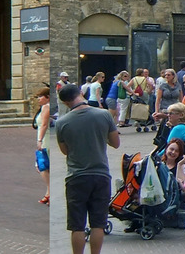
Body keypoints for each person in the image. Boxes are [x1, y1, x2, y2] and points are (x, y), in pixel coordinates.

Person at [56, 82, 120, 254]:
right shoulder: (104, 115)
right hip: (101, 174)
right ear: (80, 94)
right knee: (98, 223)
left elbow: (65, 151)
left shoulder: (62, 122)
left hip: (76, 176)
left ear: (65, 102)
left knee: (77, 225)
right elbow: (116, 143)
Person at [33, 87, 56, 206]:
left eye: (40, 97)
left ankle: (50, 192)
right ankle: (48, 193)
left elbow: (44, 125)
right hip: (43, 138)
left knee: (42, 166)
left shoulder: (46, 107)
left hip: (45, 140)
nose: (38, 99)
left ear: (47, 97)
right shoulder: (43, 108)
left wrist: (39, 140)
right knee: (44, 166)